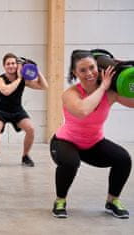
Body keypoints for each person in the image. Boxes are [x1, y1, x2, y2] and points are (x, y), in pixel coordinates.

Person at [50, 50, 133, 219]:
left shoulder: (111, 93)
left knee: (123, 159)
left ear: (98, 67)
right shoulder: (70, 94)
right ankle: (60, 200)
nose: (89, 73)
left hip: (93, 143)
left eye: (92, 68)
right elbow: (82, 111)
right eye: (82, 70)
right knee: (70, 162)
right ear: (75, 73)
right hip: (65, 142)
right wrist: (103, 87)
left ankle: (112, 201)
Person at [0, 53, 48, 167]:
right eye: (8, 64)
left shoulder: (23, 80)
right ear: (4, 66)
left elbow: (44, 86)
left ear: (17, 65)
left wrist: (36, 70)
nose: (11, 66)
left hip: (17, 110)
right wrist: (20, 78)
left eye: (13, 63)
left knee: (30, 129)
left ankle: (25, 156)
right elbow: (6, 91)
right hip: (1, 111)